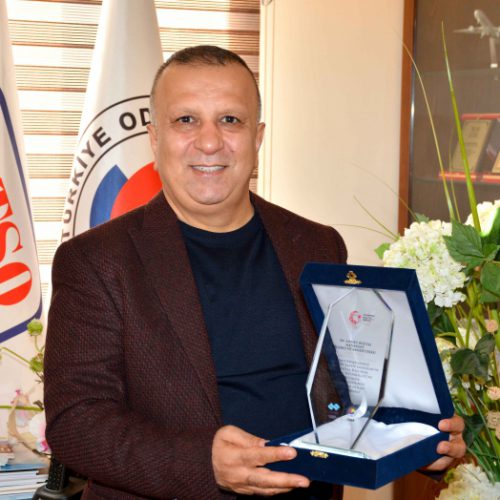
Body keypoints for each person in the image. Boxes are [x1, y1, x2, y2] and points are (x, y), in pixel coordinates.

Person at [44, 45, 466, 500]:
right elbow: (76, 423)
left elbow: (350, 388)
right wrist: (202, 463)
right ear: (155, 137)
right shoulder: (95, 261)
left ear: (257, 137)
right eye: (186, 120)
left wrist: (417, 437)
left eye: (230, 120)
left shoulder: (317, 244)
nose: (210, 142)